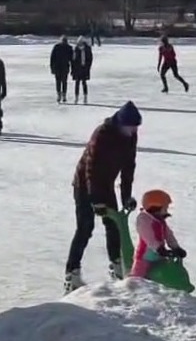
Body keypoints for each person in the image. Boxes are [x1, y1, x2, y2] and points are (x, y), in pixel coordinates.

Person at [65, 101, 141, 293]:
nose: (133, 131)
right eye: (130, 127)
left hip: (106, 184)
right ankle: (71, 274)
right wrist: (93, 199)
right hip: (85, 185)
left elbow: (128, 168)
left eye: (135, 128)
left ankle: (116, 266)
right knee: (85, 227)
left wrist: (126, 197)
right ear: (120, 123)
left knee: (114, 224)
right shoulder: (102, 134)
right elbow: (91, 168)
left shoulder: (130, 136)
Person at [130, 189, 187, 278]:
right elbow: (149, 237)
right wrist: (159, 249)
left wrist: (176, 247)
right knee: (138, 277)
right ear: (156, 206)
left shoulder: (160, 220)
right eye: (166, 207)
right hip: (145, 257)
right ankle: (133, 286)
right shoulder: (144, 220)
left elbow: (169, 235)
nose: (167, 210)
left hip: (159, 256)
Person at [50, 36, 74, 103]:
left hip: (65, 67)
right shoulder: (56, 47)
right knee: (58, 82)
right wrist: (52, 67)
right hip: (57, 67)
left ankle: (64, 95)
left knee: (64, 82)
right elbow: (52, 58)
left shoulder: (69, 48)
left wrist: (73, 69)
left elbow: (72, 60)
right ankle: (59, 95)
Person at [71, 36, 93, 104]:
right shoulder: (76, 49)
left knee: (84, 83)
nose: (80, 44)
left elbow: (90, 59)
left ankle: (85, 97)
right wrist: (73, 69)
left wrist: (88, 67)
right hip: (77, 69)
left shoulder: (87, 49)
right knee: (77, 83)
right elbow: (73, 60)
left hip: (84, 69)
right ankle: (76, 98)